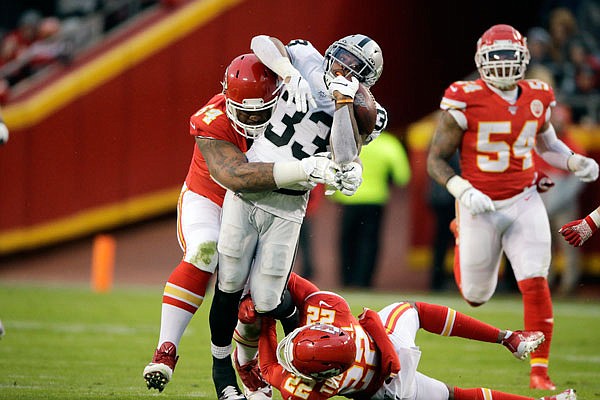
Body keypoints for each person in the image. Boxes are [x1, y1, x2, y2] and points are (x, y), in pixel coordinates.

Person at [142, 53, 343, 393]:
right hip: (209, 200)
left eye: (259, 110)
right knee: (206, 252)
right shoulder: (212, 118)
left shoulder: (291, 107)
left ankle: (246, 361)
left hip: (261, 209)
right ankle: (166, 349)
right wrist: (306, 170)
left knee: (255, 300)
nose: (251, 118)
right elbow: (234, 175)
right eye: (244, 110)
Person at [209, 33, 386, 400]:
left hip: (289, 203)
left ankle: (293, 365)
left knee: (268, 299)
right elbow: (259, 41)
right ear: (333, 52)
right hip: (250, 186)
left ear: (365, 80)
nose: (344, 69)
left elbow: (343, 155)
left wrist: (342, 102)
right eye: (344, 59)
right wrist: (287, 73)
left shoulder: (363, 108)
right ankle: (222, 373)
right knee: (228, 284)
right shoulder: (305, 58)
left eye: (357, 68)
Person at [426, 24, 598, 390]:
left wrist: (571, 160)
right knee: (476, 296)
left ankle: (539, 372)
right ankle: (461, 237)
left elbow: (548, 143)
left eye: (510, 56)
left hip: (524, 199)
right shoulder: (464, 97)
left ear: (524, 59)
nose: (503, 65)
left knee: (535, 280)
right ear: (480, 60)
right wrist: (463, 190)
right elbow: (435, 159)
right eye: (496, 57)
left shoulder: (538, 94)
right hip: (478, 204)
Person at [234, 272, 575, 400]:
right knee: (413, 310)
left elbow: (268, 369)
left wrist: (264, 325)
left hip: (390, 389)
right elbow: (366, 319)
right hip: (391, 358)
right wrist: (385, 346)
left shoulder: (316, 389)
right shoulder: (333, 310)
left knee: (454, 396)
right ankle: (507, 338)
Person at [330, 130, 410, 288]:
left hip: (348, 199)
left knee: (347, 242)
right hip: (375, 200)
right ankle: (364, 281)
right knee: (369, 243)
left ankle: (347, 280)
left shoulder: (347, 142)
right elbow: (403, 176)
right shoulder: (388, 143)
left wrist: (332, 192)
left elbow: (332, 168)